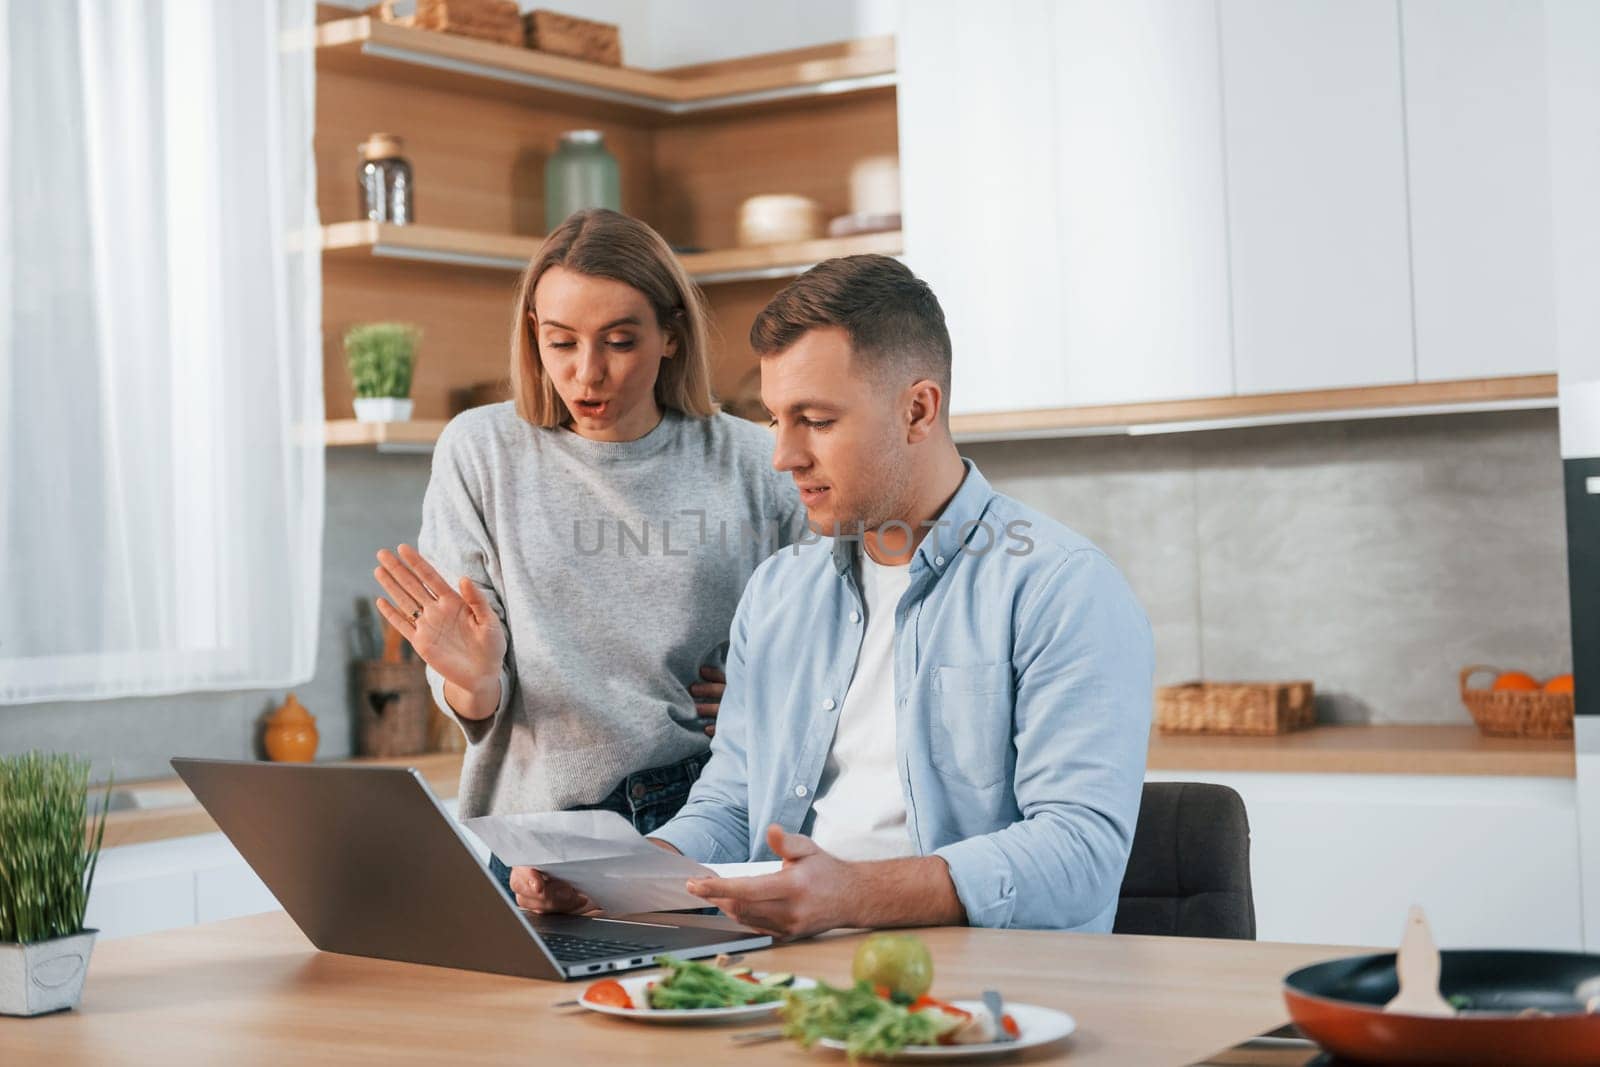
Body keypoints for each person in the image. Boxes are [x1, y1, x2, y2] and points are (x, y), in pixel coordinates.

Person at [510, 253, 1154, 934]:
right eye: (776, 420)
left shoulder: (1059, 588)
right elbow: (731, 804)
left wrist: (854, 895)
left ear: (917, 410)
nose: (784, 455)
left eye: (815, 420)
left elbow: (1079, 851)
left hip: (980, 990)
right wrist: (617, 880)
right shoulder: (779, 591)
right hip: (781, 977)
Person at [371, 209, 801, 907]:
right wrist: (473, 679)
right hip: (534, 840)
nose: (587, 373)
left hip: (705, 817)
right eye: (561, 342)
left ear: (670, 336)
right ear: (532, 335)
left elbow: (832, 649)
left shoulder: (754, 462)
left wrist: (767, 699)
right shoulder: (480, 451)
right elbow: (480, 700)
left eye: (620, 342)